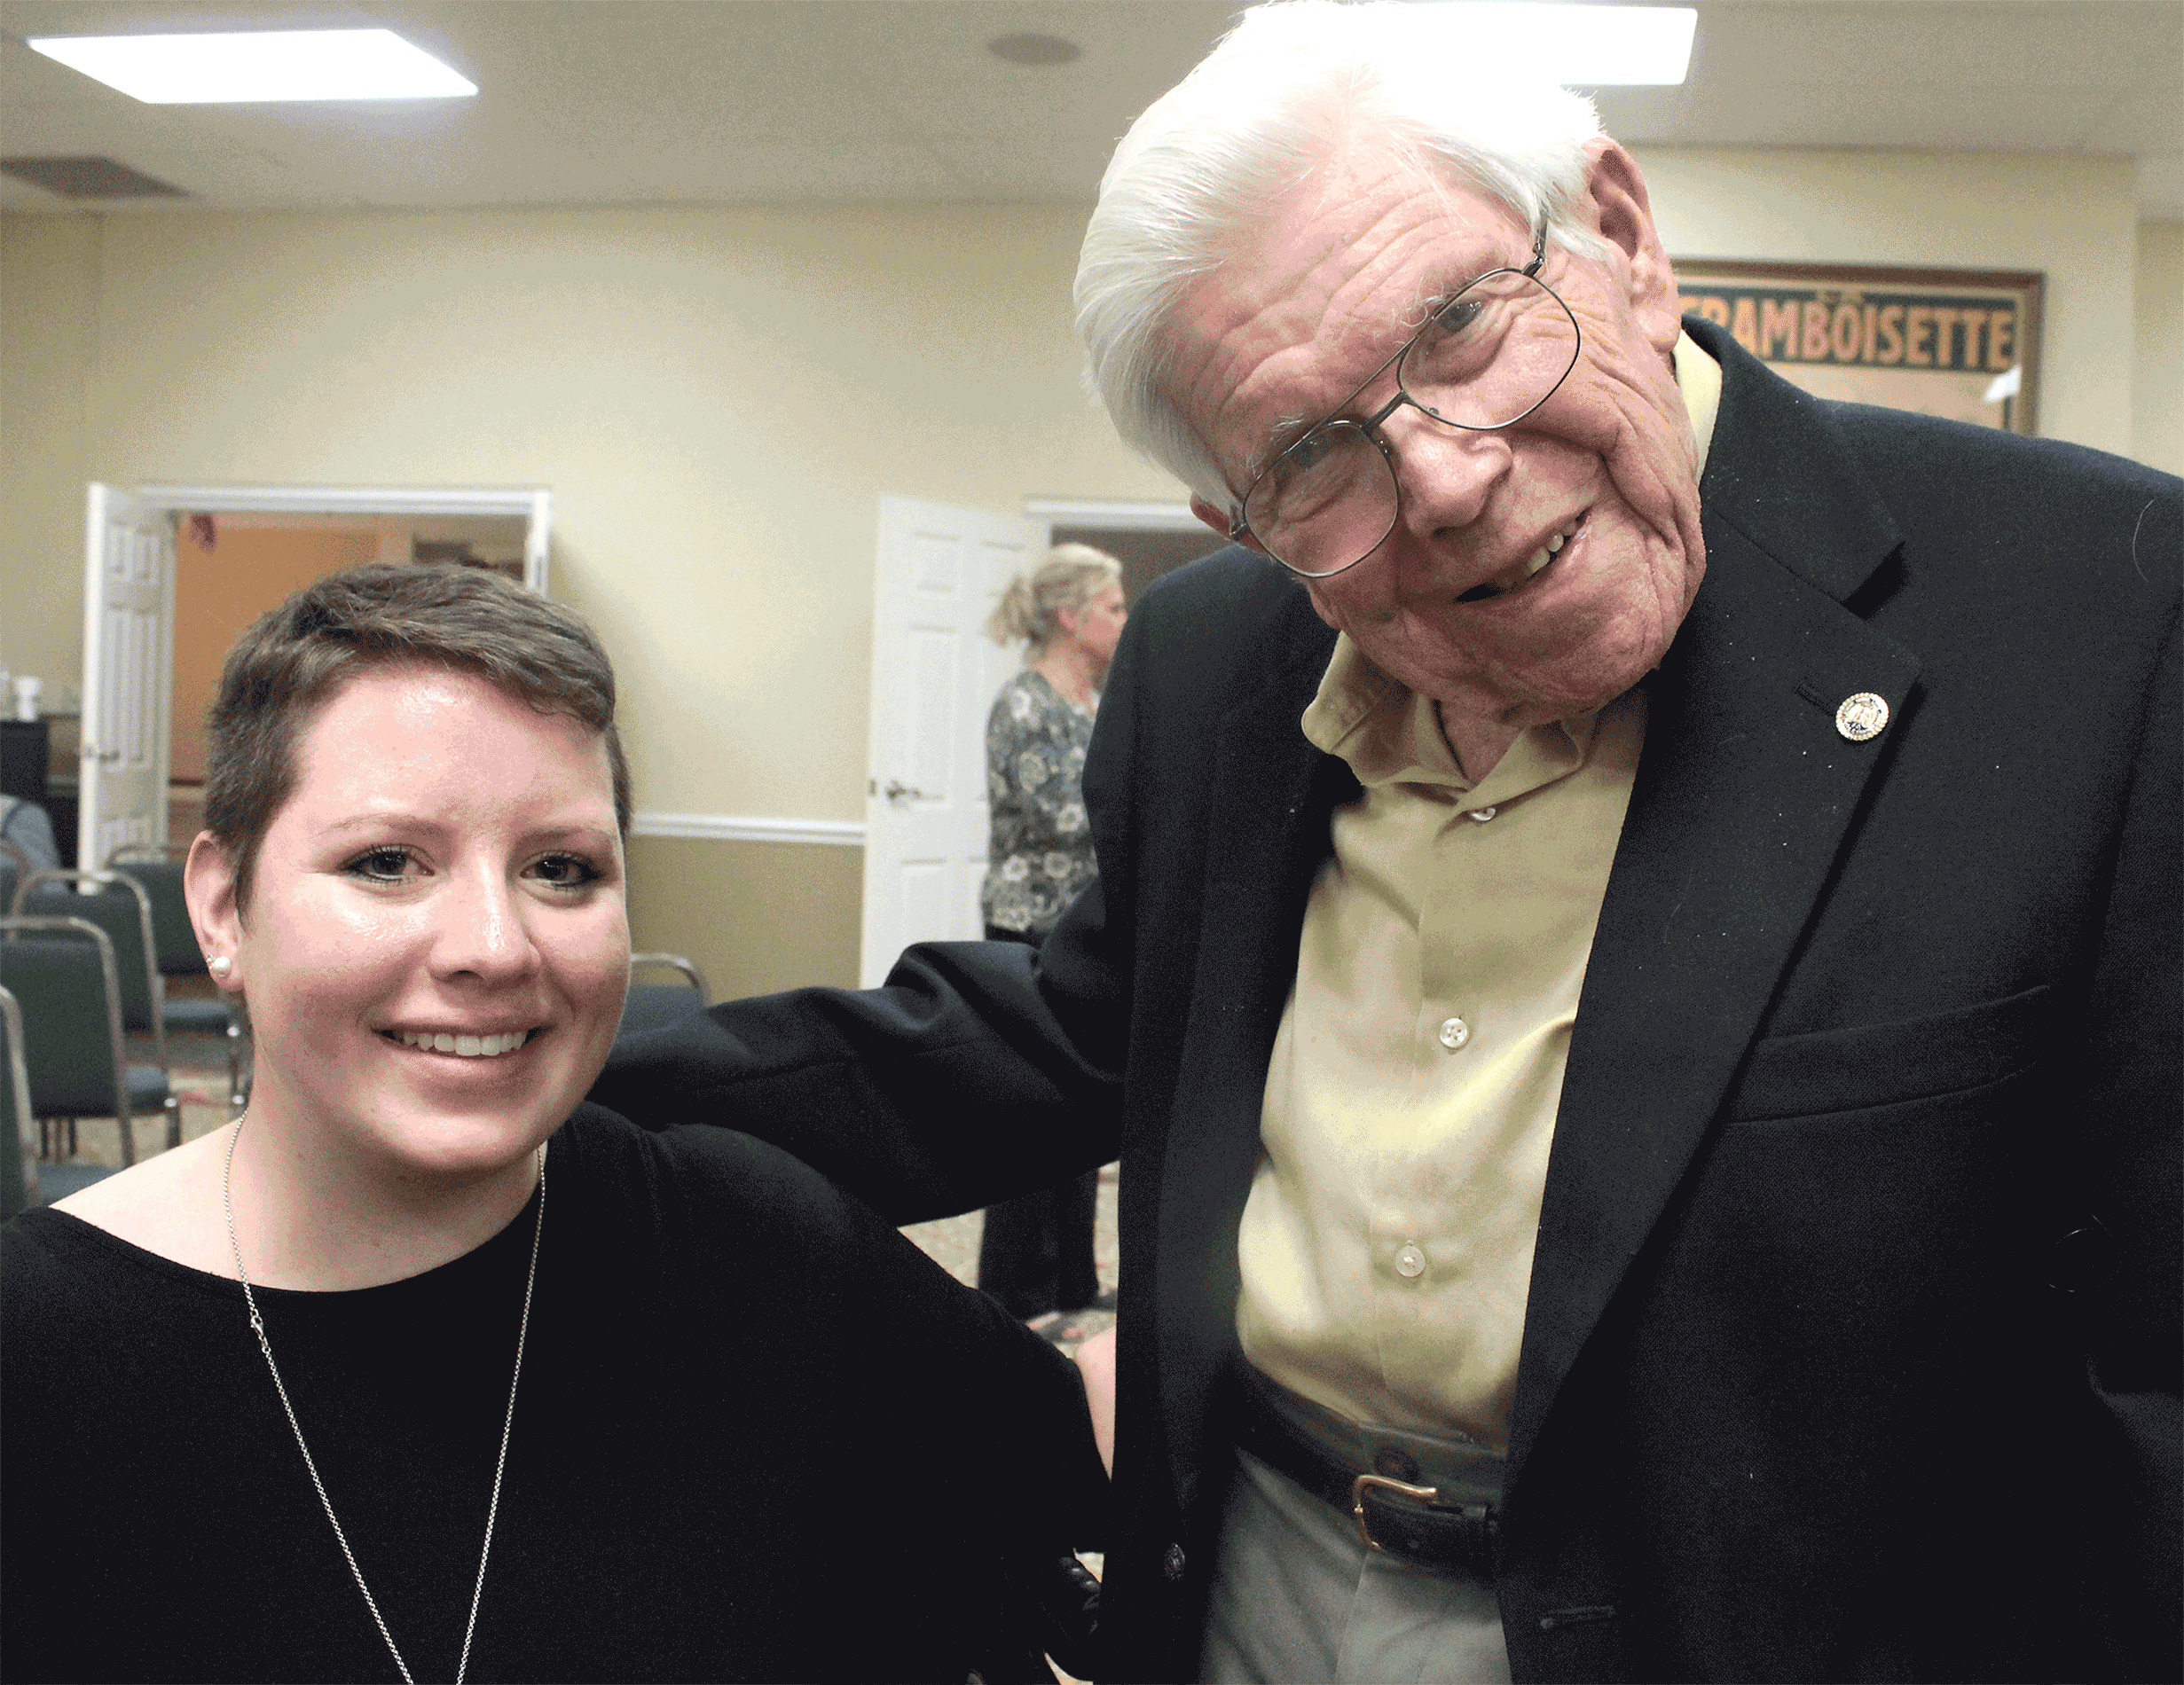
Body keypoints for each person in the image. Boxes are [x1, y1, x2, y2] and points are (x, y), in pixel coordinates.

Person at [593, 4, 2181, 1680]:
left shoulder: (2101, 615)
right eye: (1309, 457)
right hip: (1253, 1572)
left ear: (1622, 237)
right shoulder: (1213, 659)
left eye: (1463, 327)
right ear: (1236, 520)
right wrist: (534, 1074)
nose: (1445, 480)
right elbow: (1081, 1029)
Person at [0, 563, 1107, 1684]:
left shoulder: (751, 1241)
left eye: (561, 869)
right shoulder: (38, 1347)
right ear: (222, 908)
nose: (494, 946)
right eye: (386, 863)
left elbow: (1087, 1439)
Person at [977, 544, 1127, 1336]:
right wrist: (1146, 810)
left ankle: (1073, 1281)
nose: (1125, 621)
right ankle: (1018, 1295)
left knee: (1078, 1105)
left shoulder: (1090, 700)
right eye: (1114, 607)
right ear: (1070, 617)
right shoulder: (1023, 703)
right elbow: (1059, 816)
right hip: (1028, 927)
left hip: (1082, 926)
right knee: (1027, 1109)